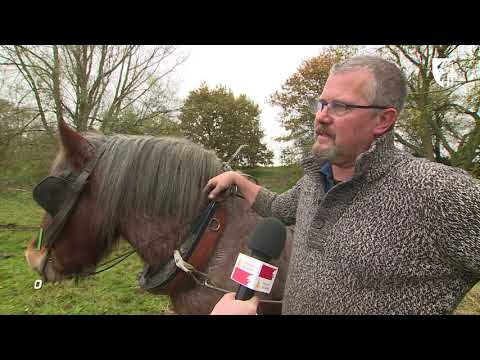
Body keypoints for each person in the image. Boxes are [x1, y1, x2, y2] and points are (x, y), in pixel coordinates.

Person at [206, 55, 480, 315]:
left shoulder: (436, 191)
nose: (321, 116)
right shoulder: (315, 179)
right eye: (322, 104)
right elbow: (277, 208)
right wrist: (238, 180)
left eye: (341, 106)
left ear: (383, 120)